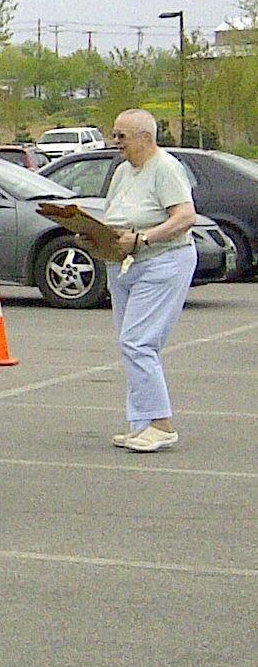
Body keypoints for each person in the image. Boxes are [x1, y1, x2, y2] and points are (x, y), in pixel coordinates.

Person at [90, 109, 198, 453]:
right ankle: (141, 424)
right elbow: (117, 215)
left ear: (145, 138)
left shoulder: (165, 167)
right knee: (129, 341)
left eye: (122, 136)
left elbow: (185, 216)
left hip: (163, 261)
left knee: (139, 342)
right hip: (125, 264)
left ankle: (161, 424)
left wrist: (145, 238)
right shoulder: (123, 171)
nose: (115, 142)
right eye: (115, 134)